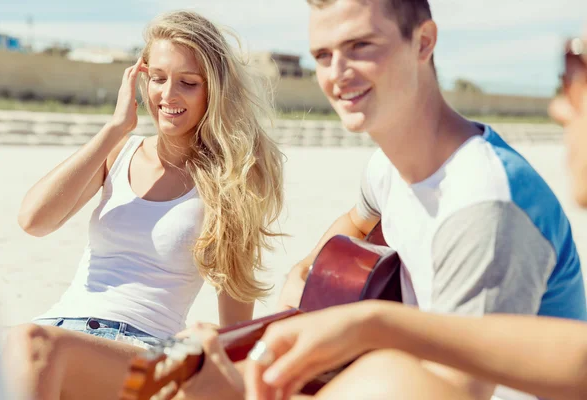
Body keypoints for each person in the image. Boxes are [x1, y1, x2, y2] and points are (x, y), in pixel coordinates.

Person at [239, 11, 587, 400]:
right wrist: (306, 275)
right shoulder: (386, 167)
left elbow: (456, 391)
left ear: (423, 42)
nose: (337, 72)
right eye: (322, 55)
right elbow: (355, 223)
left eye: (360, 46)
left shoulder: (485, 204)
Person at [2, 9, 284, 400]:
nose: (168, 95)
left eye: (187, 82)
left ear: (212, 91)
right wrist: (115, 128)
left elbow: (234, 315)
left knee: (31, 343)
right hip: (58, 329)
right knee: (24, 344)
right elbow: (34, 220)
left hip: (144, 349)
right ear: (140, 78)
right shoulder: (119, 151)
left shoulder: (229, 181)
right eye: (158, 78)